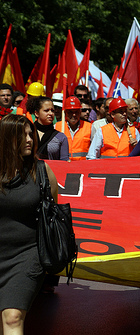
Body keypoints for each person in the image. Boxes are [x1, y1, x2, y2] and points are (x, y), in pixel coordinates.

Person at [0, 114, 58, 334]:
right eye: (21, 135)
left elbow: (52, 216)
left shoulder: (43, 172)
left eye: (30, 134)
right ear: (6, 139)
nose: (29, 139)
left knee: (13, 317)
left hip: (27, 255)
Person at [55, 96, 92, 161]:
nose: (74, 115)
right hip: (63, 166)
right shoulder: (57, 126)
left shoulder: (90, 127)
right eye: (70, 112)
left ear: (80, 112)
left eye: (76, 112)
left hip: (83, 167)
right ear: (65, 112)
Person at [32, 97, 69, 161]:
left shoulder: (61, 137)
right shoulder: (27, 133)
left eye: (52, 110)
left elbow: (64, 162)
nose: (51, 113)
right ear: (36, 113)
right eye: (46, 110)